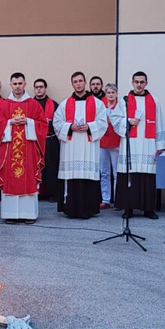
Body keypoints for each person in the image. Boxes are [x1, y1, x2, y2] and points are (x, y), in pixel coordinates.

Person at [109, 71, 165, 220]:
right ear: (132, 83)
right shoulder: (125, 101)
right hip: (130, 144)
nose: (139, 85)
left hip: (148, 145)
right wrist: (128, 122)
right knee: (129, 176)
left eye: (142, 82)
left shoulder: (154, 101)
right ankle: (128, 209)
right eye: (136, 82)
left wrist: (160, 144)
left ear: (146, 83)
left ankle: (148, 209)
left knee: (147, 176)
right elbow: (114, 119)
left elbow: (160, 122)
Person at [0, 72, 47, 224]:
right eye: (15, 84)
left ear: (25, 84)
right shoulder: (4, 104)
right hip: (9, 150)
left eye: (20, 83)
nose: (17, 86)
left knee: (28, 178)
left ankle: (29, 214)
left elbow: (43, 126)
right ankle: (10, 214)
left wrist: (28, 121)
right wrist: (9, 122)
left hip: (29, 150)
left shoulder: (33, 104)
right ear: (10, 85)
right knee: (10, 178)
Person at [53, 71, 108, 219]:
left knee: (87, 178)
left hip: (88, 145)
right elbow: (57, 123)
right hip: (70, 147)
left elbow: (103, 123)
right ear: (72, 84)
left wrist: (89, 126)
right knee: (72, 177)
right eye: (75, 82)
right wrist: (69, 127)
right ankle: (71, 209)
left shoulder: (97, 103)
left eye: (80, 81)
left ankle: (88, 209)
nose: (78, 84)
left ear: (85, 82)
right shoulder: (65, 104)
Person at [33, 78, 60, 203]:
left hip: (50, 140)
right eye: (37, 87)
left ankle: (51, 193)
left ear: (45, 88)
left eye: (41, 87)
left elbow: (59, 122)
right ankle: (38, 192)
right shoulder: (30, 104)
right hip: (35, 140)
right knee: (36, 166)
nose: (39, 89)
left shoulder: (54, 104)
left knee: (51, 166)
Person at [96, 78, 120, 210]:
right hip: (102, 142)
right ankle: (105, 199)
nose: (110, 95)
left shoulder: (121, 106)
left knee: (116, 172)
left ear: (116, 94)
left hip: (116, 142)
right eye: (108, 92)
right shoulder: (101, 105)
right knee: (104, 172)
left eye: (113, 92)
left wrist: (113, 121)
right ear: (105, 94)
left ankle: (117, 199)